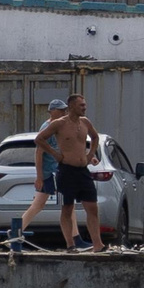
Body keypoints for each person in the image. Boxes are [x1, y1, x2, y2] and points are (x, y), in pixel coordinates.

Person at [49, 94, 106, 251]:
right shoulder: (59, 124)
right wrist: (55, 154)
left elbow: (95, 138)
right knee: (67, 207)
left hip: (83, 171)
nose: (84, 108)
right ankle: (70, 244)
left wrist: (90, 155)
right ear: (72, 106)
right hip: (67, 170)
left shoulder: (85, 122)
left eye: (85, 105)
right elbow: (39, 139)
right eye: (81, 105)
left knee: (92, 207)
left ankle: (97, 244)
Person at [9, 110, 63, 244]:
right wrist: (39, 177)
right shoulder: (48, 128)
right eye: (62, 110)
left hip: (55, 171)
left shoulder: (57, 127)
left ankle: (16, 232)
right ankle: (75, 239)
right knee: (63, 205)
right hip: (49, 173)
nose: (64, 113)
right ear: (54, 112)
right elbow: (39, 153)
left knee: (43, 205)